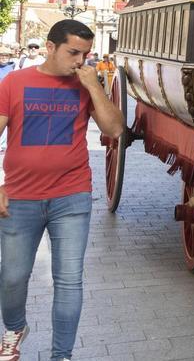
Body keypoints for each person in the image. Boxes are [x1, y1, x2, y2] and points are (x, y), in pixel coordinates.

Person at [0, 20, 125, 361]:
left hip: (71, 196)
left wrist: (95, 88)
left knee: (68, 279)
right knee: (12, 276)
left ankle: (62, 355)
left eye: (85, 53)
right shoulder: (14, 82)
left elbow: (115, 130)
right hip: (20, 197)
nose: (80, 60)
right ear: (50, 47)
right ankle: (14, 328)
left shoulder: (86, 84)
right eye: (73, 52)